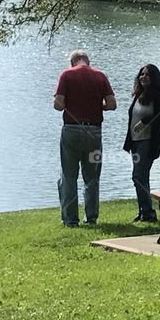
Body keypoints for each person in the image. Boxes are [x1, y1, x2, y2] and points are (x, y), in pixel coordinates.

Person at [53, 50, 117, 227]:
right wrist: (97, 105)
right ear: (87, 61)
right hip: (94, 132)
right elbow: (112, 104)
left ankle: (70, 220)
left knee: (69, 176)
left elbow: (58, 104)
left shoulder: (66, 75)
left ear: (72, 62)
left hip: (71, 131)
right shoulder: (100, 76)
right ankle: (91, 219)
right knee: (92, 177)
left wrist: (71, 104)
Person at [122, 63, 160, 222]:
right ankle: (144, 211)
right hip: (135, 142)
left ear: (154, 78)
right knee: (142, 177)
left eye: (147, 74)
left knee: (138, 176)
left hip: (148, 142)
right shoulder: (138, 95)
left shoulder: (159, 96)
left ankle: (148, 212)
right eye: (141, 74)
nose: (143, 77)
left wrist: (145, 122)